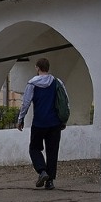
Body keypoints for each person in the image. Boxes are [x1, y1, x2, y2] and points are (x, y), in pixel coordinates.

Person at [17, 57, 67, 191]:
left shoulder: (32, 84)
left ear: (37, 68)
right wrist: (63, 120)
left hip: (39, 123)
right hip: (55, 123)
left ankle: (42, 171)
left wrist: (20, 119)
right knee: (52, 151)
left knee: (34, 148)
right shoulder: (57, 82)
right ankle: (50, 181)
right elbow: (65, 101)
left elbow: (26, 103)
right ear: (48, 68)